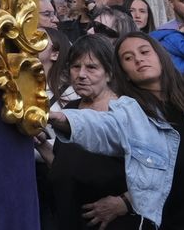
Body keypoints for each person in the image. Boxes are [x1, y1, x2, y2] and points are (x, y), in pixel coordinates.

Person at [50, 32, 184, 229]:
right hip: (180, 218)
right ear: (124, 73)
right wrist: (62, 118)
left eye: (144, 52)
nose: (139, 60)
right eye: (128, 58)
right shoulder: (129, 111)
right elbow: (100, 127)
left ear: (160, 55)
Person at [37, 35, 129, 230]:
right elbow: (65, 168)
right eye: (75, 67)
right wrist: (42, 146)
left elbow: (157, 171)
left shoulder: (126, 111)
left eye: (92, 67)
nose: (81, 75)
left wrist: (124, 203)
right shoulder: (70, 108)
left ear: (109, 73)